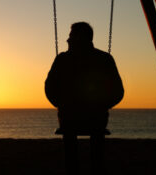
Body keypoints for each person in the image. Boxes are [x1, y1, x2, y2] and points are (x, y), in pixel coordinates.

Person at [45, 22, 124, 175]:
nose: (67, 40)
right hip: (97, 118)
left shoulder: (62, 59)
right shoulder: (104, 58)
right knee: (97, 157)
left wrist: (61, 105)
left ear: (79, 37)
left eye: (70, 36)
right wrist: (104, 106)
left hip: (69, 118)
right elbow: (118, 91)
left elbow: (49, 87)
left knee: (71, 157)